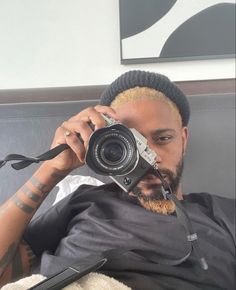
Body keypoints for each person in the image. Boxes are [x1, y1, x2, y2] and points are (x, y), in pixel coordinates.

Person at [0, 70, 235, 290]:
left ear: (183, 139)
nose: (150, 157)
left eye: (163, 138)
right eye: (132, 144)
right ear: (104, 147)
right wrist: (50, 169)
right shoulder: (83, 202)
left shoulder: (222, 215)